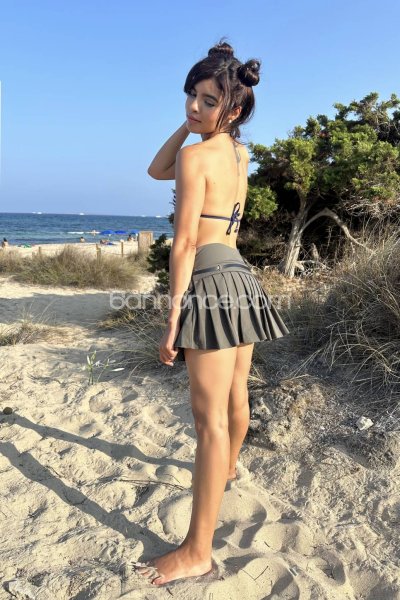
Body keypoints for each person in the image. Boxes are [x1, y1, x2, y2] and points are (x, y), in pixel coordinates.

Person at [133, 39, 290, 587]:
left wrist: (173, 318)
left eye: (207, 100)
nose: (193, 107)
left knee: (208, 422)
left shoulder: (196, 157)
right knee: (236, 395)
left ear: (236, 108)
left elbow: (182, 245)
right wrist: (195, 125)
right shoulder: (237, 154)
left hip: (209, 281)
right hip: (241, 277)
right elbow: (157, 169)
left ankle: (198, 550)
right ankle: (227, 469)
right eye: (190, 96)